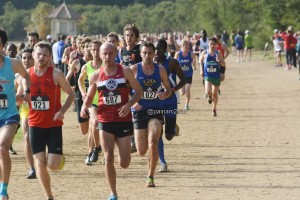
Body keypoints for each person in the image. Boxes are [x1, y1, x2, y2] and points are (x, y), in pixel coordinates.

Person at [80, 42, 142, 200]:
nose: (107, 57)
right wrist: (84, 107)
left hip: (123, 119)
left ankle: (124, 156)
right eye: (104, 54)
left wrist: (129, 105)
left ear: (116, 54)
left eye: (110, 53)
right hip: (105, 120)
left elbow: (139, 91)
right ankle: (113, 193)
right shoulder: (95, 76)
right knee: (108, 157)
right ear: (100, 55)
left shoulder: (125, 71)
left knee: (124, 163)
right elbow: (89, 96)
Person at [27, 41, 75, 200]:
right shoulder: (26, 75)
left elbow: (71, 94)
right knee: (40, 163)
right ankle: (49, 196)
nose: (41, 57)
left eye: (45, 55)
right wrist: (20, 98)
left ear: (49, 58)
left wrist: (62, 111)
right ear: (33, 55)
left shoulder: (56, 74)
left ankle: (58, 156)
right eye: (38, 54)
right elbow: (17, 93)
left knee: (53, 164)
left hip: (53, 125)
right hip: (35, 125)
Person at [130, 42, 172, 187]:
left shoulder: (160, 70)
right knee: (141, 150)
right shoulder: (134, 69)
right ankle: (149, 155)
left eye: (150, 53)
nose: (147, 55)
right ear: (140, 54)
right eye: (144, 53)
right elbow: (124, 91)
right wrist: (133, 103)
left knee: (153, 142)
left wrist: (164, 94)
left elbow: (168, 89)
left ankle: (150, 176)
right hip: (139, 111)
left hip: (155, 110)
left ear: (154, 54)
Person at [0, 28, 31, 200]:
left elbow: (26, 76)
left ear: (3, 46)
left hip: (9, 115)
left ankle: (3, 191)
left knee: (3, 147)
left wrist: (26, 91)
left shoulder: (13, 63)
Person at [154, 39, 186, 172]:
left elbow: (184, 80)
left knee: (168, 135)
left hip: (171, 101)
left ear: (165, 50)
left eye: (159, 50)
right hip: (156, 103)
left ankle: (172, 127)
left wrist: (173, 90)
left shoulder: (172, 62)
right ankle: (162, 162)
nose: (156, 53)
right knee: (158, 132)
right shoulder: (151, 64)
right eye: (155, 50)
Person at [78, 40, 102, 165]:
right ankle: (93, 150)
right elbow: (80, 80)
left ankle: (96, 150)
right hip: (92, 100)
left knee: (95, 127)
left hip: (105, 101)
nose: (95, 52)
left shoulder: (107, 65)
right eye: (93, 49)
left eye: (98, 49)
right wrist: (83, 93)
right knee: (94, 122)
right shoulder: (86, 66)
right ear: (90, 50)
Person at [66, 37, 92, 150]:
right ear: (82, 48)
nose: (88, 49)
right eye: (86, 47)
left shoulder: (99, 63)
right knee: (84, 130)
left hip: (95, 98)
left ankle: (94, 149)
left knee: (94, 124)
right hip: (80, 97)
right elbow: (67, 78)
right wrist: (70, 91)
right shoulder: (77, 63)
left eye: (90, 47)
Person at [120, 24, 142, 153]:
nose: (129, 37)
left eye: (131, 35)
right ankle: (132, 140)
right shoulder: (122, 51)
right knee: (127, 112)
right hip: (125, 85)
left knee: (136, 112)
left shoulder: (139, 50)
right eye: (127, 35)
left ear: (136, 37)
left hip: (137, 84)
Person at [15, 47, 36, 179]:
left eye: (29, 58)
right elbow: (16, 98)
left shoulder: (39, 74)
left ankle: (40, 162)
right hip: (26, 109)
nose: (26, 60)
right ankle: (32, 168)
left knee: (39, 138)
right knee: (27, 136)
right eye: (24, 58)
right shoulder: (17, 76)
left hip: (40, 109)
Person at [199, 37, 225, 117]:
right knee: (208, 91)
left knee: (215, 94)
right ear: (208, 44)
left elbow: (223, 64)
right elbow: (200, 61)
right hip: (208, 75)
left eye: (214, 44)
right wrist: (201, 70)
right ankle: (209, 96)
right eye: (211, 44)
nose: (212, 46)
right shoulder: (204, 53)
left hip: (216, 76)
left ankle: (214, 108)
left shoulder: (218, 53)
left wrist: (219, 61)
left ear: (216, 45)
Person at [174, 40, 196, 110]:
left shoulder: (191, 54)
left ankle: (186, 105)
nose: (187, 47)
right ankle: (182, 91)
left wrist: (194, 64)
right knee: (182, 92)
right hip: (181, 75)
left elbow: (194, 59)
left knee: (187, 88)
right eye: (185, 46)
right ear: (182, 46)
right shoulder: (178, 54)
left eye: (188, 46)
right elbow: (174, 62)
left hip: (189, 74)